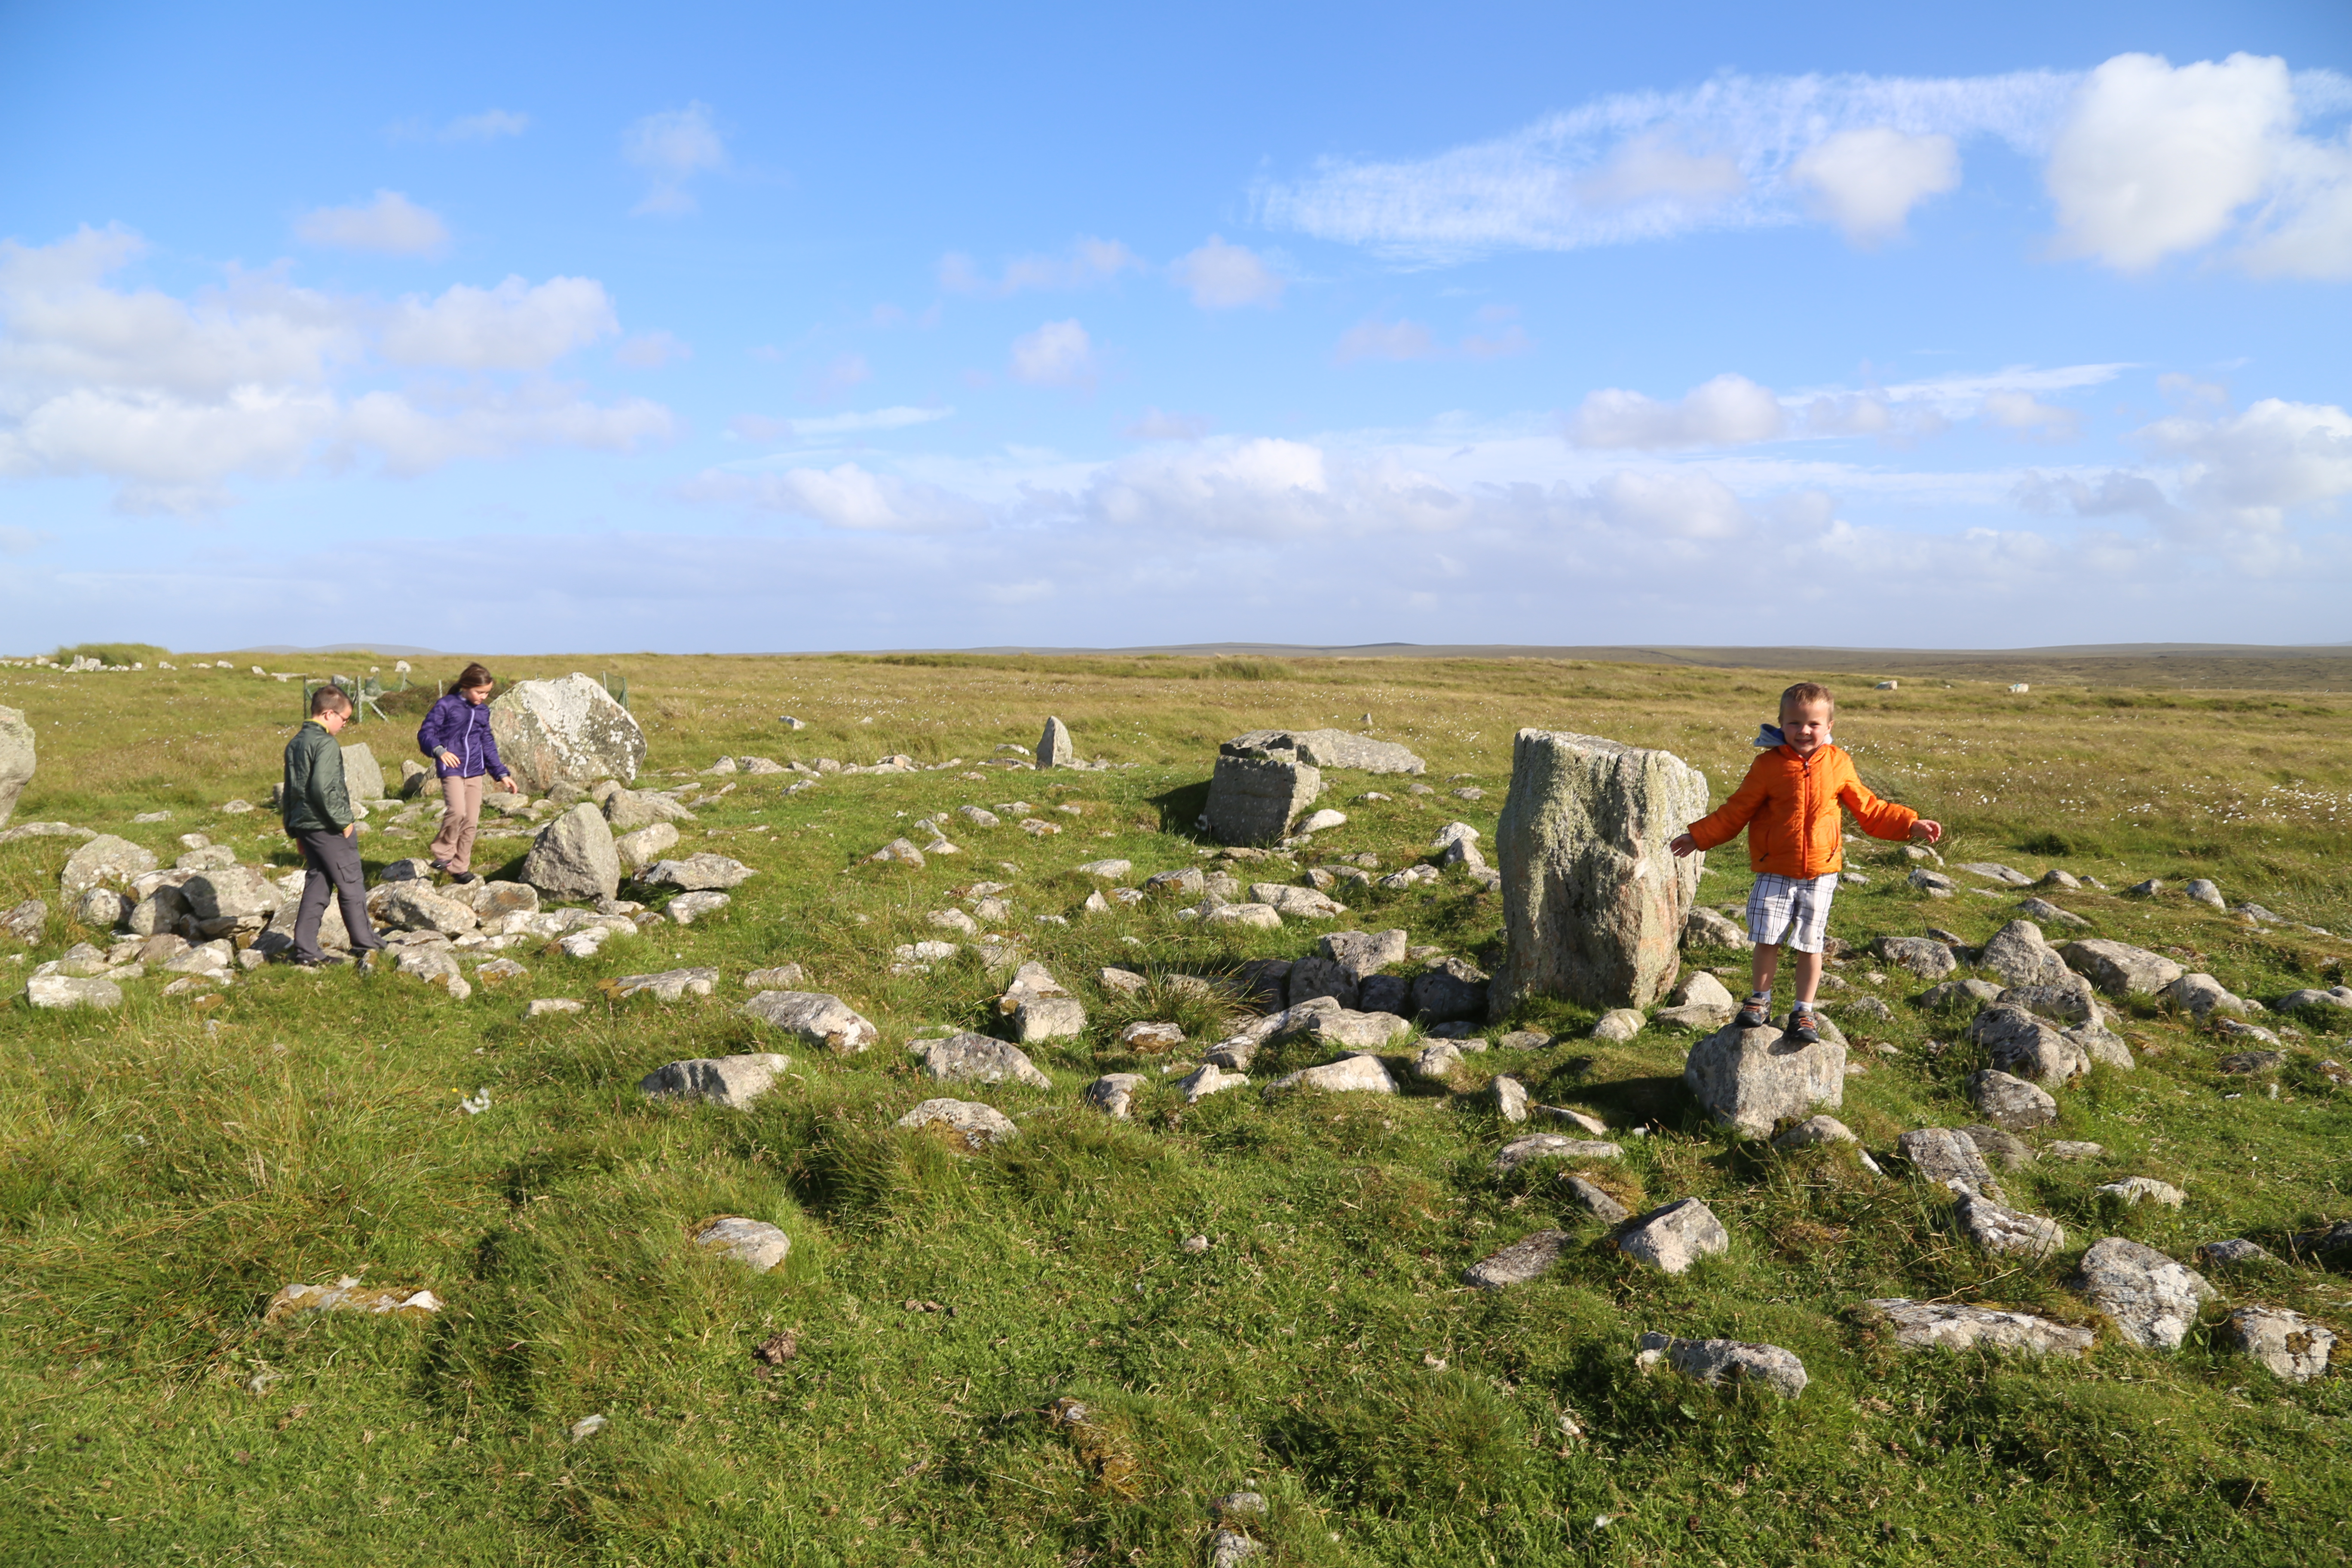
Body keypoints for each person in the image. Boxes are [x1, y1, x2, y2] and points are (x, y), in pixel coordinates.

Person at [1670, 681, 1942, 1044]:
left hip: (1821, 872)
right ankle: (1760, 1001)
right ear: (1781, 723)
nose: (1804, 731)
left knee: (1810, 945)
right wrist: (1699, 836)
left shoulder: (1839, 763)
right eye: (1795, 723)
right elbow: (1737, 810)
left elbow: (1870, 809)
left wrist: (1909, 824)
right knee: (1766, 938)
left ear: (1829, 726)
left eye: (1814, 724)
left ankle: (1804, 1011)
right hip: (1774, 868)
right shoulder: (1768, 766)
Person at [282, 684, 389, 967]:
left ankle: (306, 949)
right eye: (344, 719)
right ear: (329, 714)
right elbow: (321, 788)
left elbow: (290, 791)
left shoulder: (295, 742)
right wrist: (345, 822)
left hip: (306, 825)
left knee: (318, 884)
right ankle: (365, 943)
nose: (344, 725)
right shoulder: (326, 743)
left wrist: (294, 829)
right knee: (351, 880)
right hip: (328, 825)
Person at [416, 662, 514, 885]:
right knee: (457, 812)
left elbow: (487, 742)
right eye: (480, 692)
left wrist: (501, 773)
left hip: (475, 771)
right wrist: (439, 750)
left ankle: (460, 868)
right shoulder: (446, 705)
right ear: (465, 686)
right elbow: (426, 733)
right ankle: (443, 853)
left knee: (471, 820)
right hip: (451, 768)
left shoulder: (483, 711)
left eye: (488, 693)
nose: (484, 697)